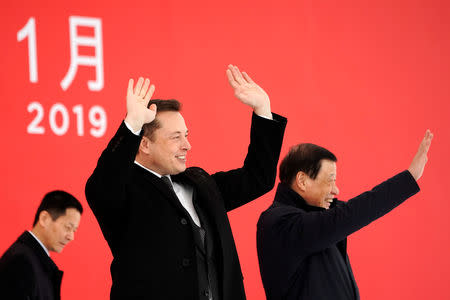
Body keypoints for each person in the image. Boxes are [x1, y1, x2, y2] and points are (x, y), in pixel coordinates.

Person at [85, 64, 287, 300]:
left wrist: (263, 110)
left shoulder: (199, 183)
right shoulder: (123, 190)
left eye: (186, 135)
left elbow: (257, 178)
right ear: (144, 144)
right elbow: (102, 185)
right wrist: (132, 126)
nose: (187, 145)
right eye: (175, 137)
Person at [257, 131, 433, 300]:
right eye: (330, 180)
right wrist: (409, 178)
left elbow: (355, 210)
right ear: (302, 181)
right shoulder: (280, 223)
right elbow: (353, 213)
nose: (336, 190)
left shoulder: (316, 213)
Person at [0, 190, 83, 300]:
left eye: (74, 230)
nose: (71, 237)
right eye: (68, 227)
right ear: (44, 219)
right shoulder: (20, 261)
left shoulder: (34, 261)